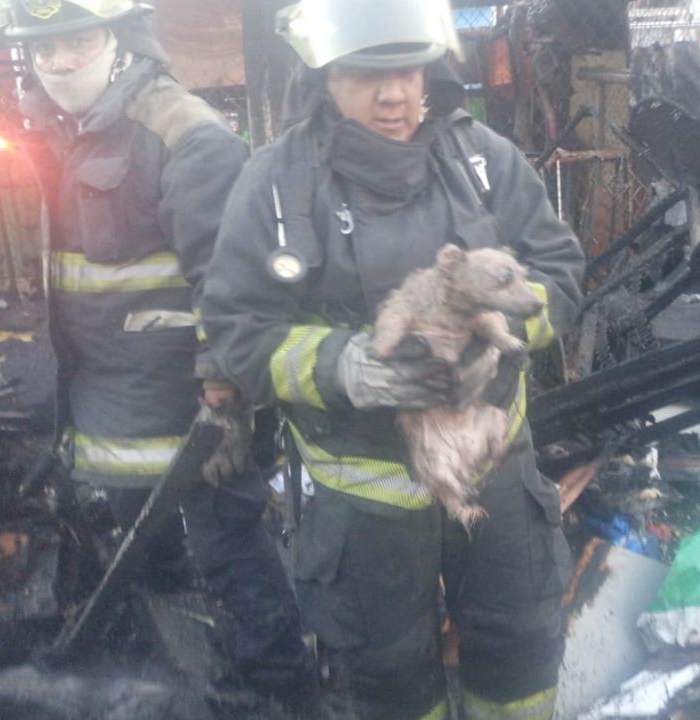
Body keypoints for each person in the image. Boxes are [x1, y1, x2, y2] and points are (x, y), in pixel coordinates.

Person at [196, 0, 585, 717]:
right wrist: (344, 366)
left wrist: (501, 332)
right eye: (362, 74)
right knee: (389, 679)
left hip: (492, 475)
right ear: (322, 77)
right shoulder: (276, 183)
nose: (393, 94)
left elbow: (559, 274)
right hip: (364, 505)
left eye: (406, 70)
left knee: (520, 648)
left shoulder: (484, 161)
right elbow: (236, 328)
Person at [0, 0, 312, 707]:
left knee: (232, 554)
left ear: (122, 39)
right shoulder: (50, 131)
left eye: (77, 40)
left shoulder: (185, 134)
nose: (59, 62)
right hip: (105, 400)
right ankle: (183, 677)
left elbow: (232, 284)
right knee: (149, 557)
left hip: (189, 410)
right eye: (43, 48)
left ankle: (284, 695)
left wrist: (223, 402)